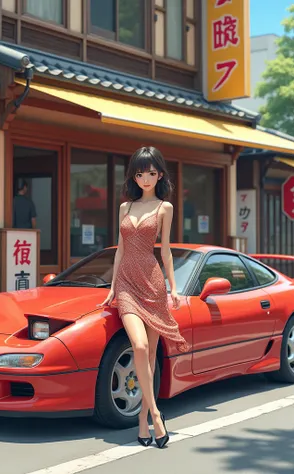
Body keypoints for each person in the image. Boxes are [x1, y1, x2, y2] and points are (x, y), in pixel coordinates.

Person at [98, 146, 189, 449]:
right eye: (139, 173)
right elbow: (120, 250)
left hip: (152, 283)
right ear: (134, 176)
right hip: (125, 283)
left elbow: (165, 251)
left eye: (151, 172)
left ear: (159, 174)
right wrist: (112, 287)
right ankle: (156, 415)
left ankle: (141, 421)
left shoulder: (165, 207)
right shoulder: (125, 208)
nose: (145, 178)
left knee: (149, 355)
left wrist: (173, 288)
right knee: (138, 345)